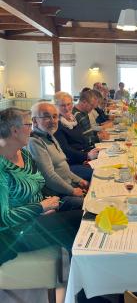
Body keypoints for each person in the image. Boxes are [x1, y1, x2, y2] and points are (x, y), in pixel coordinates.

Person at [0, 108, 82, 266]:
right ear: (14, 130)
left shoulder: (23, 154)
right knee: (79, 220)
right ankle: (81, 284)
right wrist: (39, 207)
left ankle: (81, 274)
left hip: (35, 216)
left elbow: (39, 185)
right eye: (28, 125)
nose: (31, 130)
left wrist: (46, 204)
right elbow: (3, 219)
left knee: (85, 209)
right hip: (12, 234)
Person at [28, 102, 89, 210]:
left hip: (68, 186)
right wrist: (72, 191)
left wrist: (79, 180)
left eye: (55, 116)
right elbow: (49, 176)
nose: (52, 120)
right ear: (34, 121)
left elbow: (62, 166)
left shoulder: (49, 135)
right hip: (56, 195)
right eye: (47, 117)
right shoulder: (34, 141)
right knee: (89, 205)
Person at [53, 92, 96, 180]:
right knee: (97, 173)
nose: (66, 108)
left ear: (72, 104)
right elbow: (66, 150)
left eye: (68, 104)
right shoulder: (57, 124)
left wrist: (92, 150)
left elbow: (82, 139)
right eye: (62, 105)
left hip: (81, 157)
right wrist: (87, 155)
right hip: (70, 164)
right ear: (56, 106)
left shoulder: (72, 119)